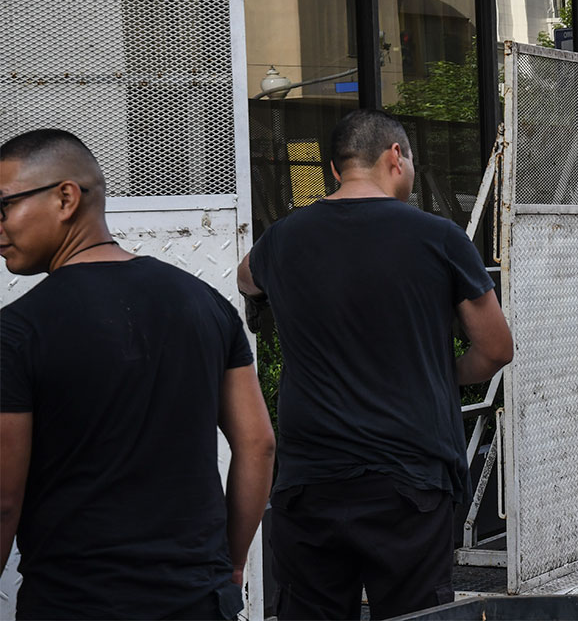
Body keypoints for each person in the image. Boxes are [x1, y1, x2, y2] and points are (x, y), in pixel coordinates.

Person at [237, 109, 513, 619]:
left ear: (337, 169)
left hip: (310, 482)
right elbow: (496, 349)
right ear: (394, 157)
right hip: (409, 480)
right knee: (414, 615)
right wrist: (442, 372)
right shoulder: (439, 238)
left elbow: (246, 279)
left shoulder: (283, 237)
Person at [0, 129, 275, 620]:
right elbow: (259, 444)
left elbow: (4, 497)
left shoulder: (17, 332)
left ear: (66, 197)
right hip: (199, 601)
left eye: (3, 208)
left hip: (75, 603)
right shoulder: (206, 305)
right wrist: (230, 566)